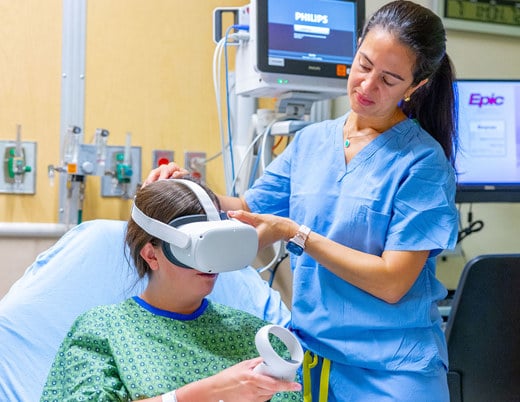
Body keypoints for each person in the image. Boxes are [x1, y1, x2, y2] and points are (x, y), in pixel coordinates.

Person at [146, 1, 460, 400]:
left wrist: (296, 234)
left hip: (393, 371)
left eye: (389, 79)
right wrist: (189, 185)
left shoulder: (423, 163)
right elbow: (248, 205)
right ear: (357, 48)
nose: (366, 86)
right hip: (313, 362)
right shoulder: (311, 141)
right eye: (363, 65)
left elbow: (393, 282)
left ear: (416, 86)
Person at [40, 179, 302, 402]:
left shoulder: (253, 336)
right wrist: (206, 392)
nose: (210, 263)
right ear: (151, 256)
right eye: (197, 247)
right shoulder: (102, 330)